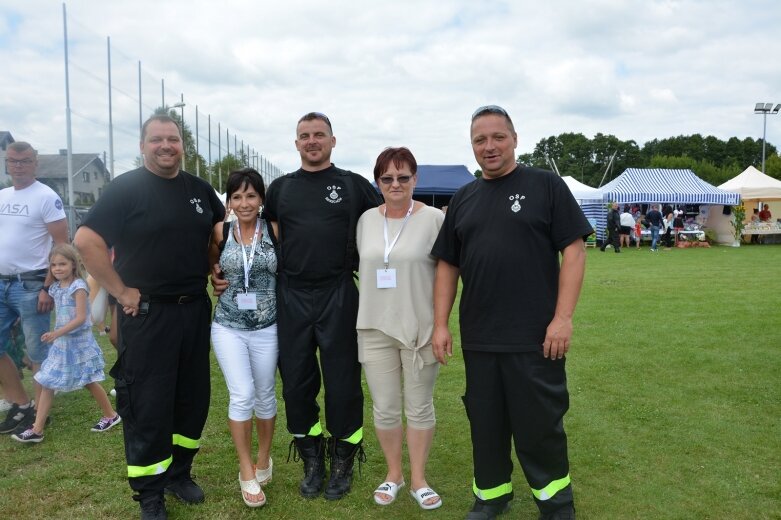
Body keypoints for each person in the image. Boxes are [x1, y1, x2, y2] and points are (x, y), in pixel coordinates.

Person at [431, 105, 591, 520]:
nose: (489, 146)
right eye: (480, 140)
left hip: (536, 336)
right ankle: (491, 495)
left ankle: (555, 503)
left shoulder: (545, 185)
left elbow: (574, 250)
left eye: (497, 137)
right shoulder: (464, 197)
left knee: (540, 425)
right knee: (486, 424)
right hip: (481, 337)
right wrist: (440, 324)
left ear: (515, 139)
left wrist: (563, 318)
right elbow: (448, 263)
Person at [73, 114, 225, 520]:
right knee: (148, 404)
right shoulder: (126, 189)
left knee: (191, 399)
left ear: (182, 146)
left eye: (173, 139)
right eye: (156, 139)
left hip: (193, 310)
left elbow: (217, 231)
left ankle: (179, 474)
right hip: (147, 314)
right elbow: (86, 241)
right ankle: (150, 493)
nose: (165, 146)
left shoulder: (200, 190)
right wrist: (121, 290)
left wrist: (214, 266)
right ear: (142, 146)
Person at [261, 112, 381, 500]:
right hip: (291, 294)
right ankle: (313, 459)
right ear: (296, 143)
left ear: (333, 140)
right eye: (304, 136)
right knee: (296, 382)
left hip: (339, 291)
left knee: (343, 382)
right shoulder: (279, 189)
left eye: (319, 135)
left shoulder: (354, 185)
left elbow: (386, 227)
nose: (312, 141)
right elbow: (262, 240)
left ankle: (344, 459)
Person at [355, 147, 445, 510]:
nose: (395, 184)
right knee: (386, 407)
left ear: (415, 179)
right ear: (378, 181)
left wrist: (440, 325)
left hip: (419, 328)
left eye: (403, 177)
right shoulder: (365, 220)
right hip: (374, 327)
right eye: (387, 178)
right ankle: (394, 474)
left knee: (420, 406)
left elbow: (446, 275)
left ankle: (419, 479)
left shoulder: (434, 219)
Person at [208, 168, 277, 508]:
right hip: (228, 326)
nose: (244, 202)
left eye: (251, 195)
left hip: (268, 327)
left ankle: (264, 458)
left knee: (265, 395)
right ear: (229, 201)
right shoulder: (220, 230)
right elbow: (214, 267)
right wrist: (214, 277)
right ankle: (246, 470)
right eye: (237, 196)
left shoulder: (275, 230)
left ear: (261, 198)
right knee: (243, 394)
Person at [11, 244, 120, 443]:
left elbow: (80, 318)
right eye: (53, 265)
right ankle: (37, 429)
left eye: (62, 264)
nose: (58, 268)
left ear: (73, 264)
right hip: (61, 345)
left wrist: (56, 333)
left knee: (88, 381)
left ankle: (111, 415)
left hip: (77, 344)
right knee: (47, 381)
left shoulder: (78, 287)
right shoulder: (54, 288)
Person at [0, 141, 68, 435]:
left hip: (31, 284)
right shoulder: (2, 196)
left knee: (38, 351)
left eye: (25, 161)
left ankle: (39, 416)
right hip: (1, 282)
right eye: (13, 161)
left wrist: (47, 287)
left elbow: (62, 245)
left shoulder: (46, 197)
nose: (18, 166)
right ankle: (21, 404)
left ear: (35, 164)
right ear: (6, 163)